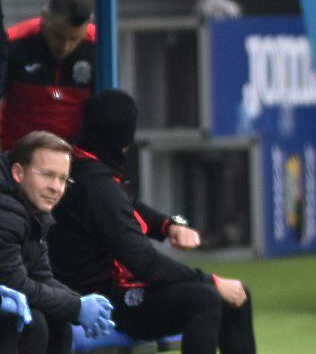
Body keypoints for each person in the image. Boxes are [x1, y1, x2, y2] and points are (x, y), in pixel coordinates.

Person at [47, 90, 255, 353]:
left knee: (236, 295)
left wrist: (171, 224)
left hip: (108, 289)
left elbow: (130, 205)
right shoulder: (98, 187)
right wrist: (211, 281)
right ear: (126, 134)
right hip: (104, 300)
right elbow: (146, 263)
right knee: (205, 298)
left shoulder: (83, 161)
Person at [0, 131, 114, 354]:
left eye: (63, 179)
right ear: (18, 173)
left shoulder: (31, 209)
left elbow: (41, 275)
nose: (56, 187)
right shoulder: (6, 212)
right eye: (46, 175)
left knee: (59, 323)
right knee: (34, 323)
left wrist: (78, 302)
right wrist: (77, 307)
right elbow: (15, 284)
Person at [2, 0, 96, 150]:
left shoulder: (99, 47)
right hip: (16, 154)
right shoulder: (13, 43)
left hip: (73, 156)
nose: (65, 47)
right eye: (58, 36)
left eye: (74, 39)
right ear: (44, 16)